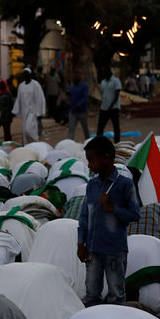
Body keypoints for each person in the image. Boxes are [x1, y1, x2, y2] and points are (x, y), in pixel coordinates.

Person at [77, 136, 140, 306]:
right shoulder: (92, 185)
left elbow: (134, 215)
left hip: (115, 250)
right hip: (92, 249)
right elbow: (84, 216)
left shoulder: (125, 184)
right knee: (91, 295)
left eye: (91, 160)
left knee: (116, 295)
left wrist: (113, 209)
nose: (89, 165)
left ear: (105, 157)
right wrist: (80, 243)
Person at [12, 68, 46, 144]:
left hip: (33, 112)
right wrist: (14, 111)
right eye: (24, 74)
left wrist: (40, 112)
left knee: (29, 130)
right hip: (24, 112)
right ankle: (27, 146)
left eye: (27, 74)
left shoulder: (35, 85)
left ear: (30, 75)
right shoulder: (21, 86)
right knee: (24, 132)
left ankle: (35, 143)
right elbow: (18, 100)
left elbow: (40, 98)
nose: (25, 75)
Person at [97, 67, 121, 143]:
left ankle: (117, 142)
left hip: (113, 108)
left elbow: (117, 95)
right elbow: (102, 94)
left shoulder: (116, 81)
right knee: (100, 127)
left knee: (116, 127)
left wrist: (111, 106)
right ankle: (99, 142)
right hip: (104, 108)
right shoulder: (103, 82)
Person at [68, 73, 90, 141]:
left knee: (85, 128)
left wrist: (79, 104)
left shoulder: (84, 86)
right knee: (71, 128)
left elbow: (85, 97)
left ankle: (88, 141)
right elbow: (70, 97)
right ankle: (69, 142)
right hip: (73, 111)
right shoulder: (72, 87)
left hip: (82, 111)